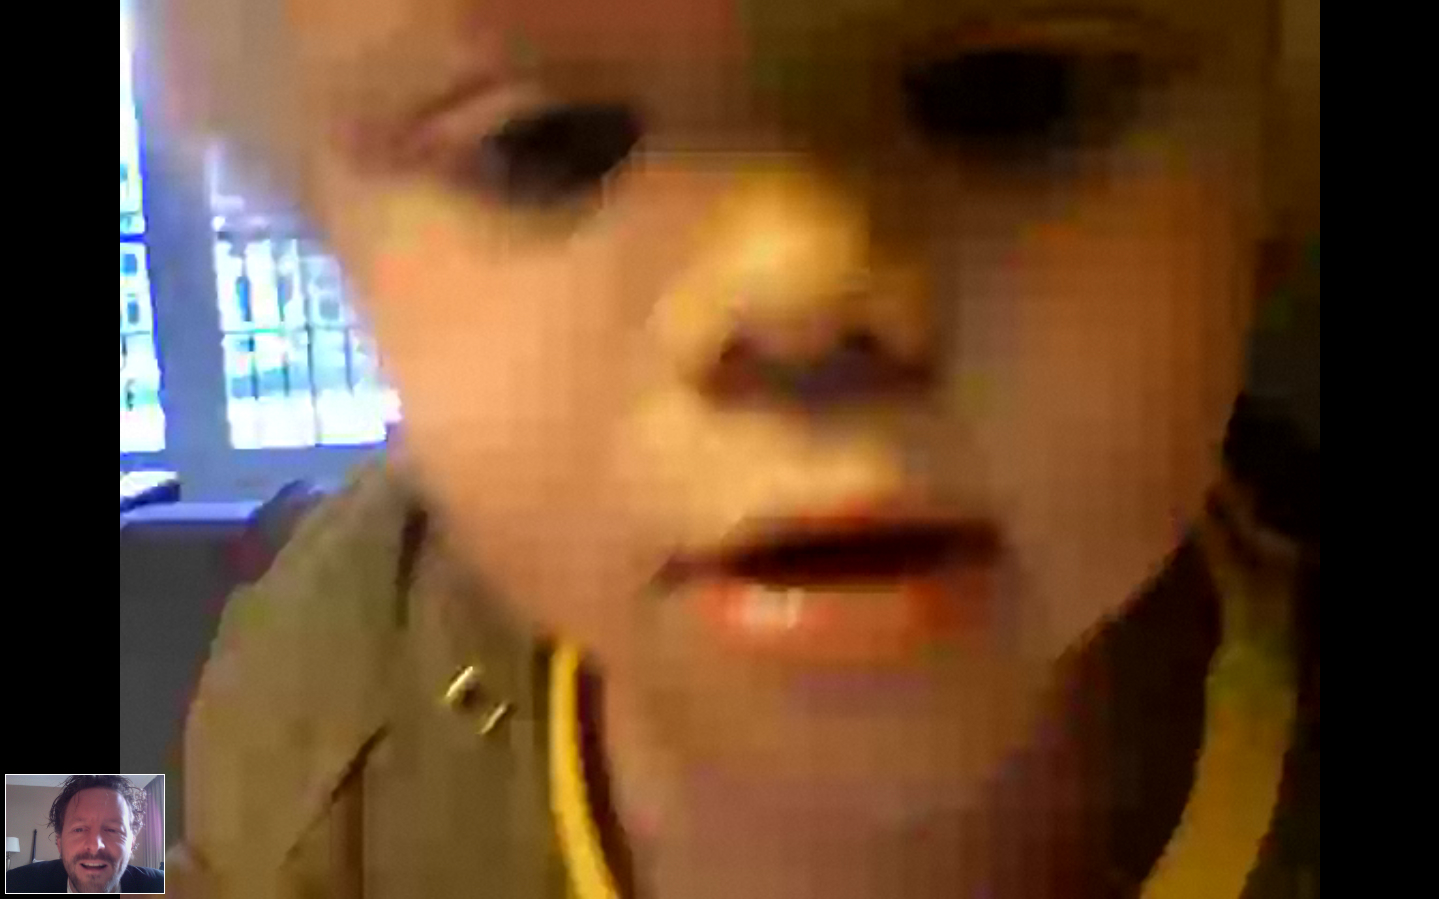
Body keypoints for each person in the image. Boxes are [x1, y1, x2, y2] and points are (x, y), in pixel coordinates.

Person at [152, 0, 1319, 896]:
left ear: (1270, 160)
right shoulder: (324, 706)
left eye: (1015, 93)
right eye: (547, 144)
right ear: (334, 241)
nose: (798, 286)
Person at [4, 776, 166, 894]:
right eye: (79, 829)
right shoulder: (14, 885)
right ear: (59, 843)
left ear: (131, 844)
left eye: (112, 830)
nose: (95, 846)